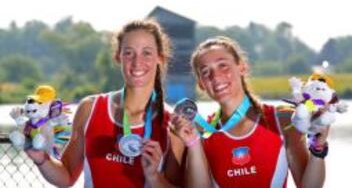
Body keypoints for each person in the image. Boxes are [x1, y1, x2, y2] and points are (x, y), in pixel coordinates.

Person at [26, 19, 185, 188]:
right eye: (129, 53)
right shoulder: (90, 108)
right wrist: (42, 159)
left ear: (160, 58)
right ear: (118, 57)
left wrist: (154, 177)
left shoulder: (172, 126)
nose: (137, 62)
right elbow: (66, 177)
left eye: (146, 52)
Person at [172, 36, 329, 188]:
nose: (216, 76)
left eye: (223, 65)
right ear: (201, 84)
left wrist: (318, 147)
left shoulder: (283, 120)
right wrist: (193, 144)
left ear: (242, 67)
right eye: (206, 72)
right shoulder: (201, 132)